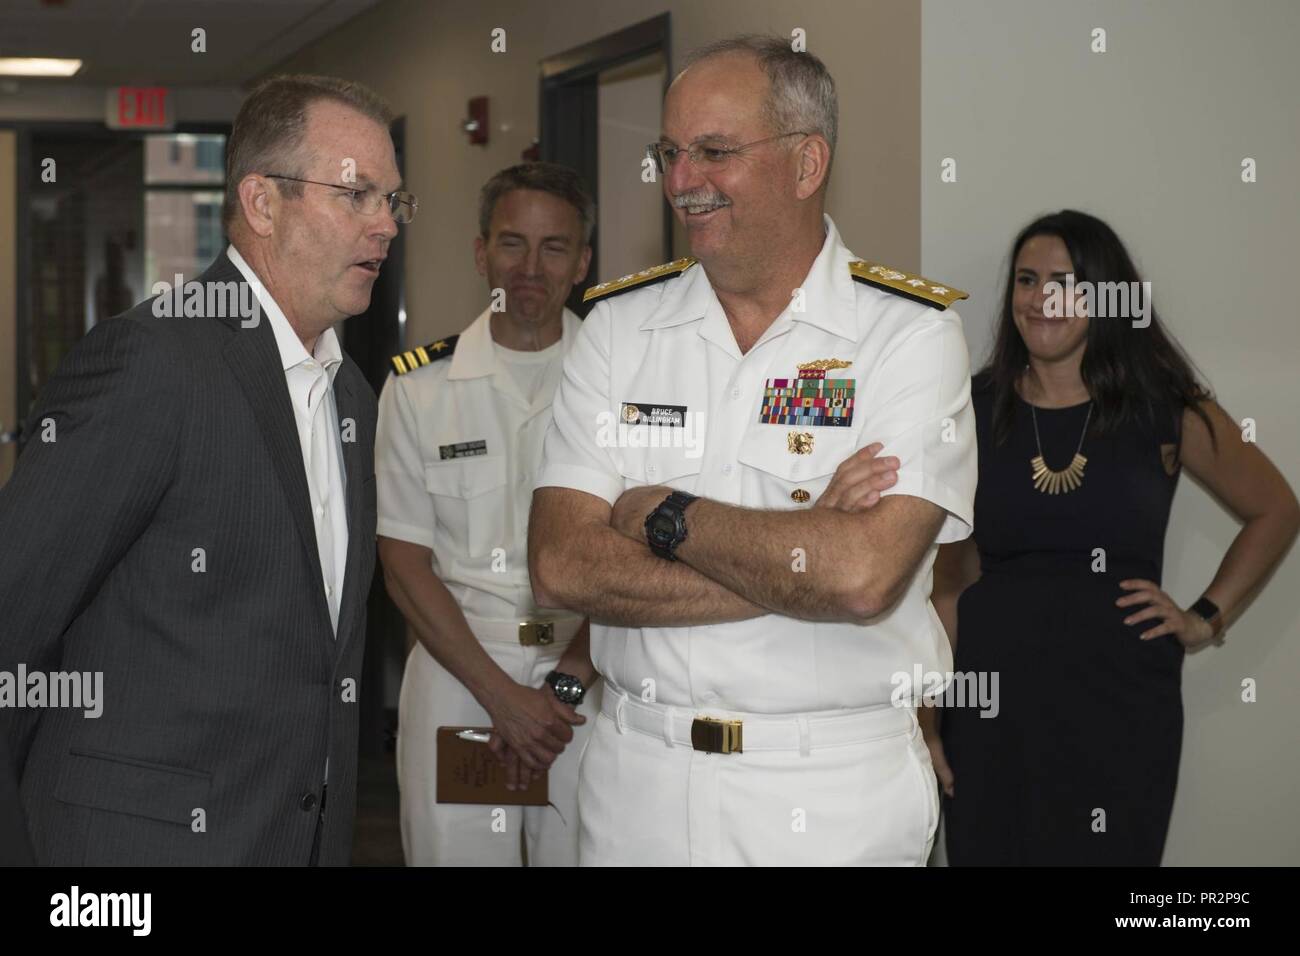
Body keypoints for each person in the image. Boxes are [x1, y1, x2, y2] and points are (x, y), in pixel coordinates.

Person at [526, 35, 975, 866]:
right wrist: (798, 555)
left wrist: (662, 514)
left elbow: (862, 576)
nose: (681, 180)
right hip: (637, 784)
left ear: (807, 164)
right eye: (670, 151)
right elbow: (560, 564)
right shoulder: (620, 330)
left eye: (715, 151)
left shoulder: (909, 336)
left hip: (829, 793)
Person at [0, 73, 412, 865]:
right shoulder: (153, 360)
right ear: (262, 204)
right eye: (358, 195)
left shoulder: (351, 394)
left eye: (394, 200)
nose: (386, 224)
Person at [926, 209, 1300, 865]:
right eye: (1027, 280)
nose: (1042, 299)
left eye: (1066, 283)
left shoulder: (1164, 406)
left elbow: (1276, 508)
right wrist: (928, 721)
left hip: (1122, 708)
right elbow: (949, 585)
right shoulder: (971, 408)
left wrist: (1204, 619)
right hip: (991, 710)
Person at [376, 163, 597, 866]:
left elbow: (645, 554)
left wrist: (559, 687)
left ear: (584, 261)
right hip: (462, 678)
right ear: (481, 253)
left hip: (586, 679)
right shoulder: (420, 388)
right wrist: (501, 696)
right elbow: (404, 563)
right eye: (512, 243)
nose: (531, 267)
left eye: (555, 247)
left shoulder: (622, 381)